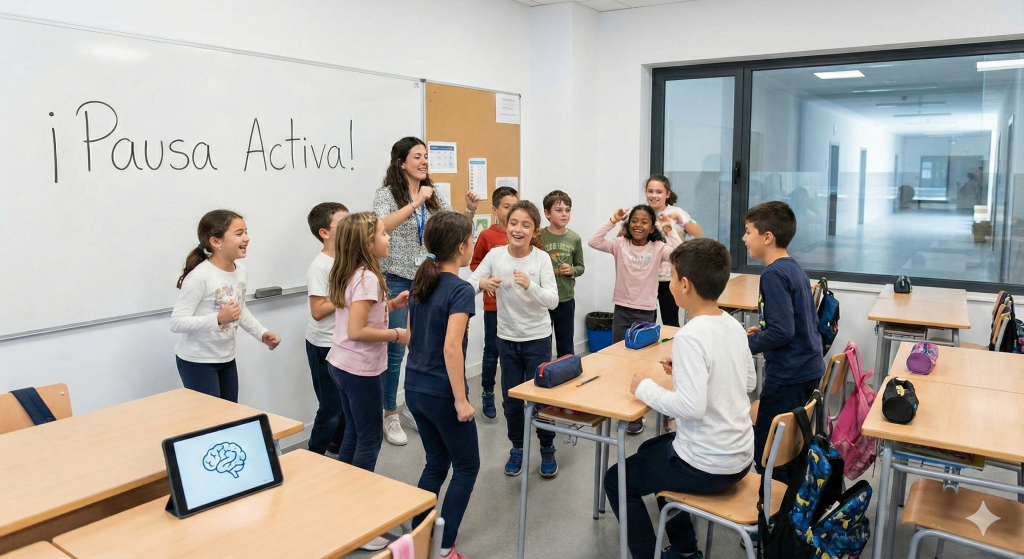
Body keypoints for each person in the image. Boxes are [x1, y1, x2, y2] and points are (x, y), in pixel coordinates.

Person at [607, 238, 755, 559]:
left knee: (616, 480)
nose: (669, 282)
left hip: (709, 465)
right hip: (741, 456)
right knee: (650, 450)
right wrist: (691, 371)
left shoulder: (690, 335)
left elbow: (691, 406)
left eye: (671, 276)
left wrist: (644, 387)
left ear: (684, 285)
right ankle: (686, 549)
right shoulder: (732, 324)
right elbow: (748, 380)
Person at [373, 136, 481, 445]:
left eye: (425, 157)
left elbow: (451, 226)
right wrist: (415, 202)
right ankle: (389, 414)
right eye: (417, 157)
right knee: (396, 350)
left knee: (421, 347)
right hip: (396, 277)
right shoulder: (388, 194)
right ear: (401, 162)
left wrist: (470, 211)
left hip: (426, 277)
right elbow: (383, 226)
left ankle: (410, 405)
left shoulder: (432, 194)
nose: (423, 162)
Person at [405, 212, 479, 559]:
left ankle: (420, 535)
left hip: (415, 388)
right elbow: (452, 347)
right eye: (472, 240)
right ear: (462, 248)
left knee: (436, 462)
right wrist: (461, 400)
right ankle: (444, 545)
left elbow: (409, 337)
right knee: (467, 465)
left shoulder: (421, 282)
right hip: (440, 392)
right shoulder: (461, 290)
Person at [468, 200, 560, 478]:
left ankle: (547, 447)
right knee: (511, 399)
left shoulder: (541, 259)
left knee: (541, 398)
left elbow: (553, 301)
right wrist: (482, 283)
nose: (518, 229)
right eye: (513, 223)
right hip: (506, 339)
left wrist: (530, 285)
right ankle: (517, 447)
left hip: (537, 340)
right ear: (505, 225)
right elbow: (469, 283)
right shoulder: (495, 256)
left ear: (535, 231)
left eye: (526, 225)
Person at [743, 201, 824, 481]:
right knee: (790, 447)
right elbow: (789, 323)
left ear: (767, 237)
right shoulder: (792, 267)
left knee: (767, 453)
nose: (744, 238)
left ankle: (773, 515)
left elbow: (783, 332)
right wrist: (761, 331)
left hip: (788, 373)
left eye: (748, 231)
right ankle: (788, 506)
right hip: (807, 368)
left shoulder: (773, 274)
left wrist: (744, 347)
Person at [589, 204, 681, 434]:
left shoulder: (658, 247)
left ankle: (638, 413)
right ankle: (623, 407)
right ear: (628, 225)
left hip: (645, 312)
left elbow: (681, 254)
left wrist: (669, 230)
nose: (638, 225)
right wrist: (613, 219)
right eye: (634, 221)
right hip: (621, 310)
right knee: (620, 361)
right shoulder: (620, 244)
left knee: (641, 364)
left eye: (644, 222)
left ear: (652, 227)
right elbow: (595, 241)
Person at [171, 210, 280, 402]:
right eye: (239, 233)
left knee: (230, 419)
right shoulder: (200, 277)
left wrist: (261, 333)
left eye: (246, 232)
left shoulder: (241, 271)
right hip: (198, 362)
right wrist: (218, 319)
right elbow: (177, 323)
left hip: (226, 357)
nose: (247, 238)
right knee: (210, 424)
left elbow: (240, 309)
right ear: (216, 242)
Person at [304, 202, 349, 456]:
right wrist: (346, 295)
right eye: (343, 224)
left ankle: (337, 445)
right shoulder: (320, 266)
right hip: (323, 345)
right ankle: (314, 454)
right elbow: (318, 311)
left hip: (343, 342)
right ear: (325, 232)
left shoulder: (348, 258)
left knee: (344, 404)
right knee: (330, 408)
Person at [470, 186, 518, 419]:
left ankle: (517, 395)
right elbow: (474, 266)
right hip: (494, 307)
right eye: (507, 207)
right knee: (492, 352)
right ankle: (488, 393)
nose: (511, 212)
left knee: (516, 353)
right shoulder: (487, 236)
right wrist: (486, 280)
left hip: (518, 305)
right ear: (495, 210)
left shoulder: (521, 234)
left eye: (515, 206)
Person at [644, 174, 702, 328]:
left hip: (670, 278)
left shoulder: (677, 214)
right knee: (645, 323)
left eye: (659, 192)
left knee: (670, 322)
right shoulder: (641, 213)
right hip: (645, 278)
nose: (654, 195)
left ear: (667, 194)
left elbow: (697, 233)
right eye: (650, 191)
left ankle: (674, 351)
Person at [540, 190, 585, 358]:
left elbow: (580, 266)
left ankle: (565, 374)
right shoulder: (539, 237)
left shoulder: (574, 238)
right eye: (559, 210)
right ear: (547, 213)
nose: (564, 214)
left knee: (565, 344)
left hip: (565, 299)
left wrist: (572, 270)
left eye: (568, 210)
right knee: (543, 343)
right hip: (543, 298)